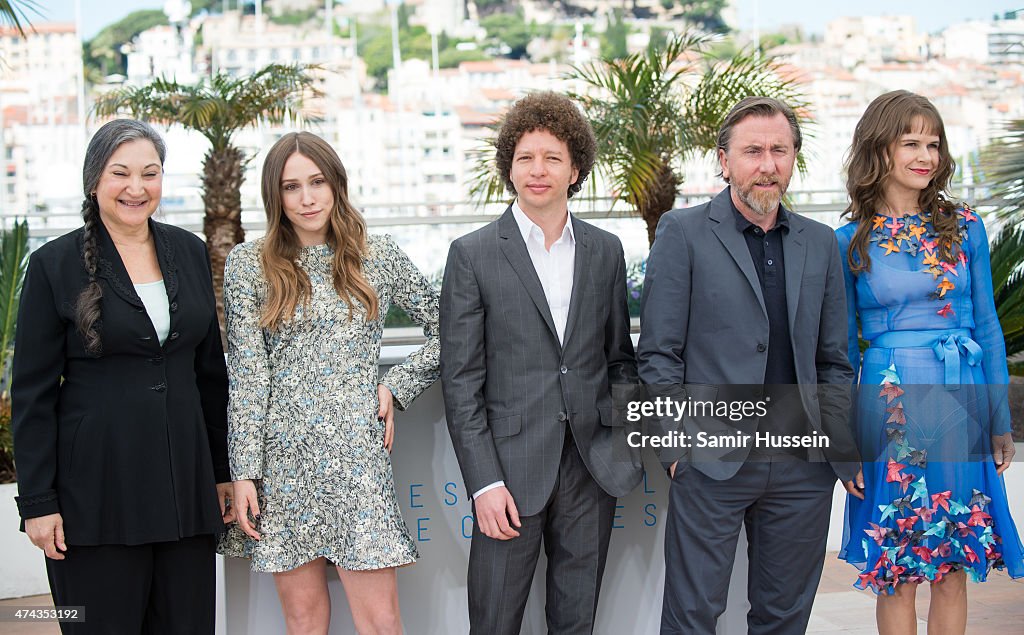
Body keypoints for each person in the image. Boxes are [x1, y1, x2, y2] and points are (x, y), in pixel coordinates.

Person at [637, 96, 864, 635]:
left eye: (779, 151)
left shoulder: (819, 242)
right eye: (753, 151)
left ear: (793, 159)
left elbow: (835, 358)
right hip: (710, 461)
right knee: (693, 615)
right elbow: (658, 352)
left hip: (802, 466)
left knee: (784, 617)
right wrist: (675, 449)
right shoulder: (683, 232)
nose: (767, 165)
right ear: (724, 160)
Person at [11, 118, 231, 633]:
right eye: (121, 173)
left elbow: (210, 377)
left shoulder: (191, 250)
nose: (137, 188)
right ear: (94, 181)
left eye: (150, 173)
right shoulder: (52, 265)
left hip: (186, 492)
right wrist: (38, 503)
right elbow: (32, 395)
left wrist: (221, 471)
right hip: (96, 497)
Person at [217, 131, 439, 634]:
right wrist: (246, 471)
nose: (307, 198)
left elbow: (451, 330)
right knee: (304, 620)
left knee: (381, 622)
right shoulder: (249, 265)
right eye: (292, 187)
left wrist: (396, 385)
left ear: (336, 184)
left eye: (317, 182)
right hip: (283, 462)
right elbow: (248, 377)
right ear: (275, 196)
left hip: (357, 461)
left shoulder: (376, 254)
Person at [440, 91, 641, 635]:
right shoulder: (472, 254)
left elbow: (620, 360)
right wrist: (483, 484)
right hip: (508, 475)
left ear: (575, 169)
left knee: (576, 623)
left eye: (553, 157)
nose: (538, 170)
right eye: (526, 157)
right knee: (494, 621)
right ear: (509, 166)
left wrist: (618, 440)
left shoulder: (605, 251)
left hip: (589, 468)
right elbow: (460, 384)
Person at [836, 90, 1024, 633]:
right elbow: (844, 349)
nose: (926, 155)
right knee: (898, 564)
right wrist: (843, 441)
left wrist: (999, 417)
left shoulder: (966, 228)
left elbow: (987, 326)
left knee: (953, 562)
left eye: (934, 143)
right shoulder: (849, 240)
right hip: (888, 402)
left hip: (960, 397)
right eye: (911, 142)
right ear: (879, 150)